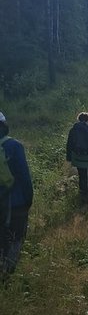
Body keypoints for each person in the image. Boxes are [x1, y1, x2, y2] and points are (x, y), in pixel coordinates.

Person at [0, 111, 33, 276]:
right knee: (17, 237)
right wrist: (29, 199)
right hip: (16, 201)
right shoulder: (14, 146)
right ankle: (8, 274)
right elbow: (24, 177)